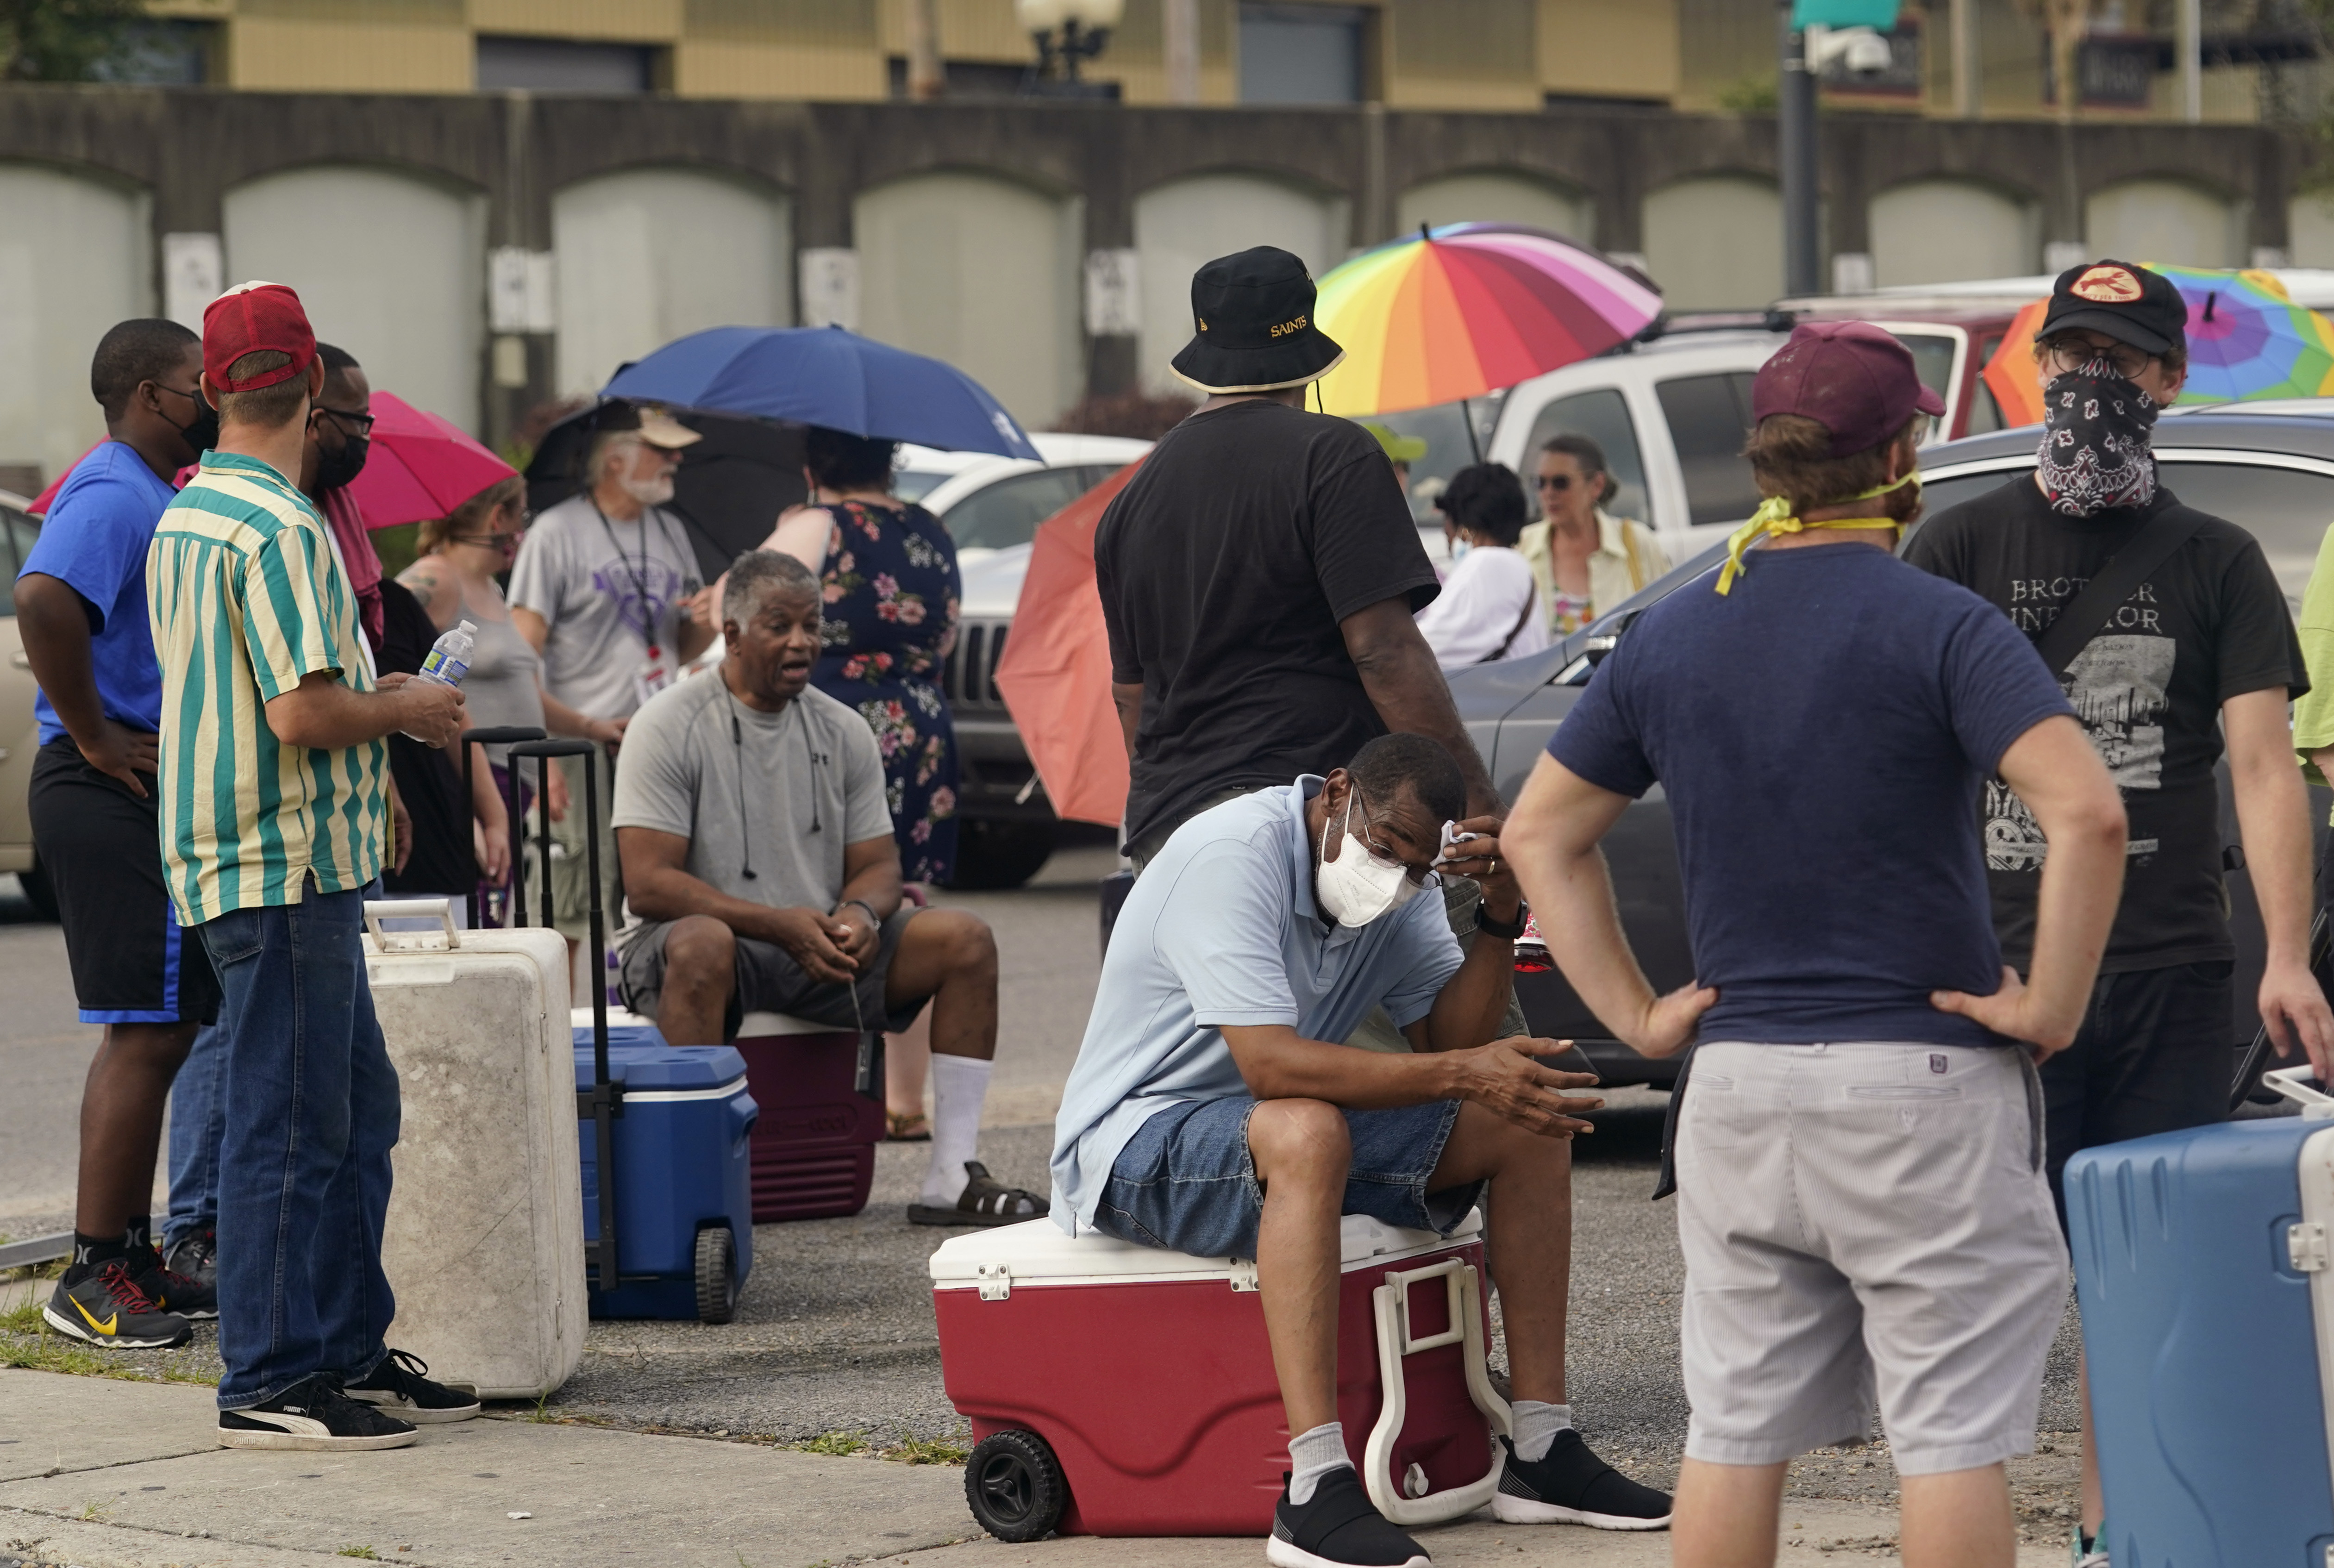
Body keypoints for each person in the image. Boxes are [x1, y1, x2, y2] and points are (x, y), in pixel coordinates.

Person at [1502, 319, 2129, 1568]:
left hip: (1734, 1086)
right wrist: (2050, 1002)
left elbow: (1538, 835)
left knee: (1733, 1426)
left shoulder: (1673, 631)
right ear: (1903, 451)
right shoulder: (1941, 624)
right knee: (1946, 1433)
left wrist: (1635, 1016)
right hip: (1922, 1081)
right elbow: (2090, 812)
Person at [1902, 259, 2334, 1568]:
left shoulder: (2216, 559)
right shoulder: (1961, 543)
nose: (2090, 382)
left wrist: (2288, 956)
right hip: (1989, 971)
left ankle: (2110, 1522)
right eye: (2068, 354)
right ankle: (1971, 1517)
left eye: (2120, 361)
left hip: (2164, 969)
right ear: (2038, 369)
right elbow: (1905, 751)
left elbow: (2263, 768)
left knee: (2138, 1276)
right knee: (1978, 1276)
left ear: (2168, 382)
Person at [1051, 734, 1672, 1568]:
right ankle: (1313, 1485)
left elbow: (1448, 1041)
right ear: (1336, 793)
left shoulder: (1406, 888)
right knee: (1307, 1125)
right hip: (1136, 1143)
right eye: (1384, 849)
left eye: (1419, 865)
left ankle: (1540, 1448)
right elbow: (1269, 1064)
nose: (1394, 878)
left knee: (1529, 1111)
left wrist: (1496, 915)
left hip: (1266, 1125)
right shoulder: (1232, 854)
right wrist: (1460, 1069)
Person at [147, 281, 479, 1450]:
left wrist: (376, 728)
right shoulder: (283, 526)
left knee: (347, 1108)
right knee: (292, 1123)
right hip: (280, 858)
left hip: (245, 850)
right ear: (307, 390)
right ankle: (276, 1369)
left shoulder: (193, 510)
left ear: (212, 389)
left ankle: (339, 1344)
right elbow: (303, 711)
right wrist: (411, 707)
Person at [1097, 245, 1524, 1065]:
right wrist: (1471, 801)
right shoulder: (1335, 455)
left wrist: (1185, 814)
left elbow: (1131, 698)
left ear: (1206, 354)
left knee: (1262, 1087)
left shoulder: (1131, 499)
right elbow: (1386, 652)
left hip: (1178, 835)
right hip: (1324, 821)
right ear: (1309, 354)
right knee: (1479, 1075)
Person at [612, 549, 1040, 1227]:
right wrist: (780, 923)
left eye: (812, 625)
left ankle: (951, 1173)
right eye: (780, 625)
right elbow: (650, 884)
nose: (802, 642)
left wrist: (861, 913)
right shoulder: (666, 723)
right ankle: (690, 1192)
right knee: (701, 942)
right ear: (732, 633)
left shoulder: (842, 727)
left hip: (814, 941)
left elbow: (879, 864)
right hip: (698, 946)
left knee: (962, 937)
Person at [15, 317, 221, 1349]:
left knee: (166, 1021)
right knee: (143, 1028)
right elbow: (43, 597)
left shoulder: (150, 489)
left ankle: (131, 1253)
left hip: (132, 780)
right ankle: (91, 1275)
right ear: (150, 394)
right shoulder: (111, 487)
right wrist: (94, 733)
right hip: (100, 783)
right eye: (199, 382)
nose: (213, 397)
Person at [760, 425, 964, 1140]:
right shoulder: (932, 529)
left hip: (833, 722)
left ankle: (818, 1080)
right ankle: (907, 1099)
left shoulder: (813, 525)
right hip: (920, 719)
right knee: (907, 902)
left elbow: (746, 604)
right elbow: (947, 635)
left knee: (822, 890)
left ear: (815, 464)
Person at [509, 404, 714, 954]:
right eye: (660, 449)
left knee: (663, 891)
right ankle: (561, 1026)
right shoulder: (555, 534)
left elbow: (681, 645)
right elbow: (521, 656)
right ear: (615, 459)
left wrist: (703, 620)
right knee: (569, 903)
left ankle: (650, 1022)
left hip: (659, 741)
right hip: (582, 746)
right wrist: (559, 739)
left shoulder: (670, 530)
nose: (675, 460)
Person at [397, 474, 550, 924]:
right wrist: (482, 814)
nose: (521, 531)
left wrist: (589, 728)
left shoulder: (493, 587)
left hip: (507, 785)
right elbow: (395, 662)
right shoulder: (436, 578)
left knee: (495, 923)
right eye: (520, 516)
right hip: (467, 783)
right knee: (475, 927)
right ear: (497, 517)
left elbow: (519, 684)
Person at [1517, 434, 1667, 637]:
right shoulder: (1522, 547)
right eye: (1540, 483)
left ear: (1597, 485)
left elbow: (1669, 618)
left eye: (1561, 483)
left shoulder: (1636, 543)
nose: (1548, 493)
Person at [1412, 463, 1549, 668]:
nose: (1445, 532)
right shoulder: (1514, 566)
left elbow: (1418, 651)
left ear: (1465, 525)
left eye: (1447, 519)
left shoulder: (1488, 564)